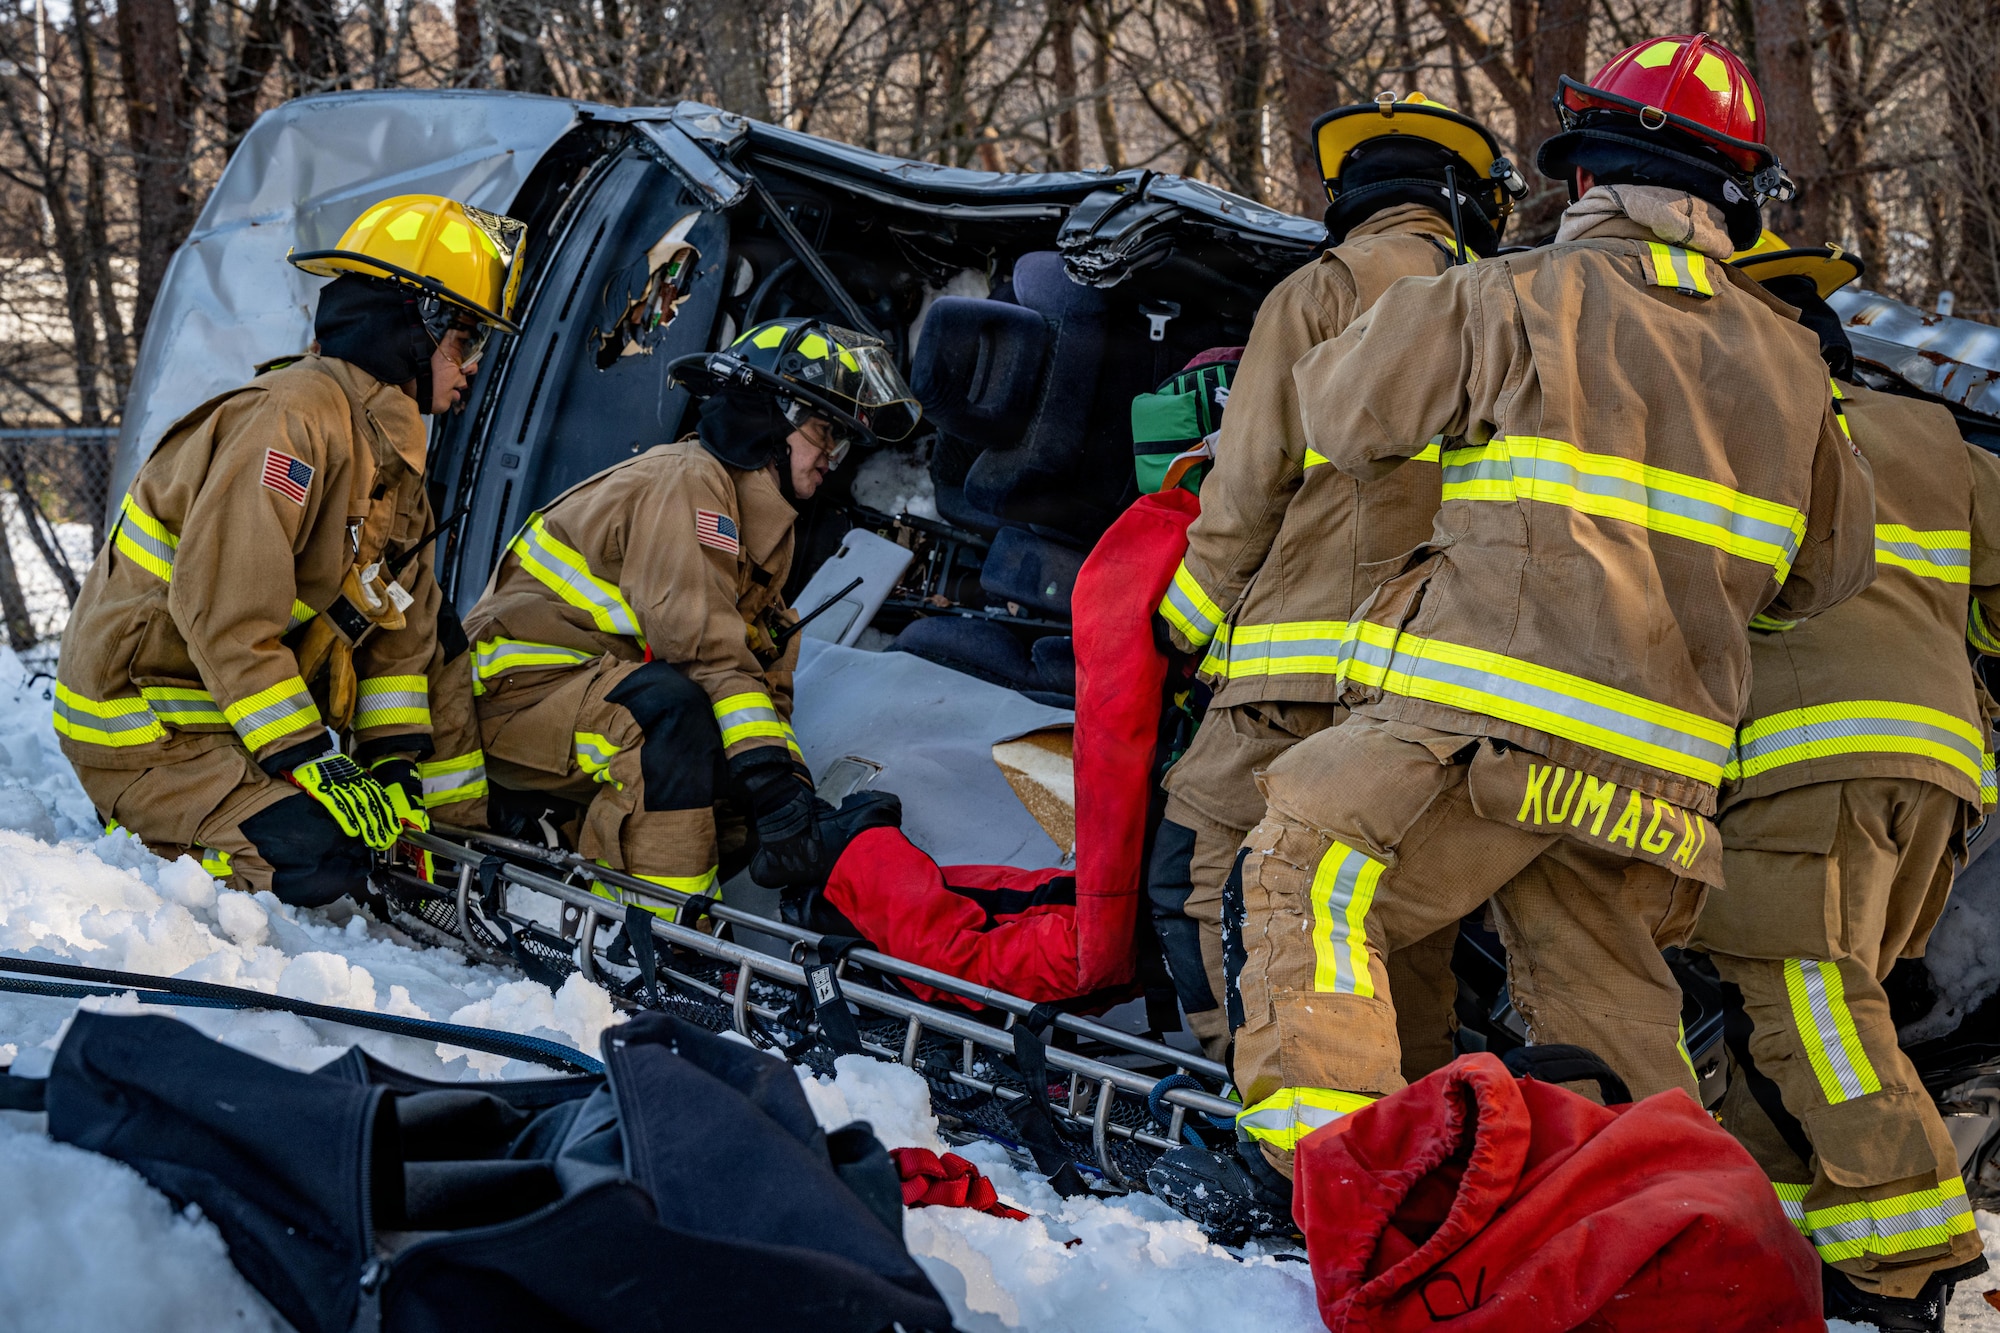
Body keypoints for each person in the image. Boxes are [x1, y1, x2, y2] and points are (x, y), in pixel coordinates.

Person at [1155, 33, 1878, 1234]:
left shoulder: (1510, 293)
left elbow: (1336, 415)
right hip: (1661, 772)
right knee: (1610, 1002)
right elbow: (1822, 578)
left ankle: (1328, 1187)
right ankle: (1669, 1233)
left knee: (1299, 863)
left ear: (1584, 180)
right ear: (1728, 203)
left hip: (1482, 721)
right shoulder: (1794, 367)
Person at [1149, 93, 1526, 1066]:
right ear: (1465, 202)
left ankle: (1255, 1111)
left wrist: (1179, 625)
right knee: (1383, 920)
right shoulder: (1521, 314)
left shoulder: (1327, 287)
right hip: (1441, 689)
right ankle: (1417, 1130)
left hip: (1298, 666)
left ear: (1358, 194)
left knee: (1203, 880)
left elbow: (1248, 478)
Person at [54, 194, 517, 904]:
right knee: (321, 863)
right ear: (412, 329)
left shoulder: (391, 463)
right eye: (465, 341)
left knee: (443, 645)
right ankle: (162, 842)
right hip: (146, 724)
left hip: (230, 718)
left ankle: (448, 857)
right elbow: (226, 612)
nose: (474, 366)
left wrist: (394, 769)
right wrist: (308, 759)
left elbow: (403, 641)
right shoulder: (290, 423)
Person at [1694, 232, 1993, 1328]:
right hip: (1937, 779)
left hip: (1797, 766)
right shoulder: (1931, 436)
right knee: (1761, 1019)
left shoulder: (1727, 429)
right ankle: (1793, 1248)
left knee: (1808, 1006)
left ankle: (1912, 1262)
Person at [459, 317, 920, 912]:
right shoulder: (687, 484)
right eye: (823, 429)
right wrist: (774, 787)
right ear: (771, 416)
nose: (833, 454)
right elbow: (703, 651)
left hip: (582, 692)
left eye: (841, 439)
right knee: (669, 720)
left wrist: (791, 802)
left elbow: (758, 683)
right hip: (515, 694)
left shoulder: (759, 525)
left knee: (734, 780)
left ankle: (557, 850)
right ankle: (651, 939)